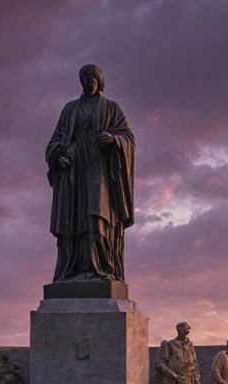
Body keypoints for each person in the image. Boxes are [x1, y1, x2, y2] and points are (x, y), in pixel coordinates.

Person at [45, 64, 136, 283]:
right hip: (74, 171)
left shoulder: (112, 108)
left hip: (100, 169)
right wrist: (59, 156)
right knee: (74, 220)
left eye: (93, 76)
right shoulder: (70, 109)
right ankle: (73, 270)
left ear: (100, 79)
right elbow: (55, 141)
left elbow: (128, 137)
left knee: (97, 217)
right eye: (85, 76)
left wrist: (114, 139)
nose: (89, 79)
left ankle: (101, 268)